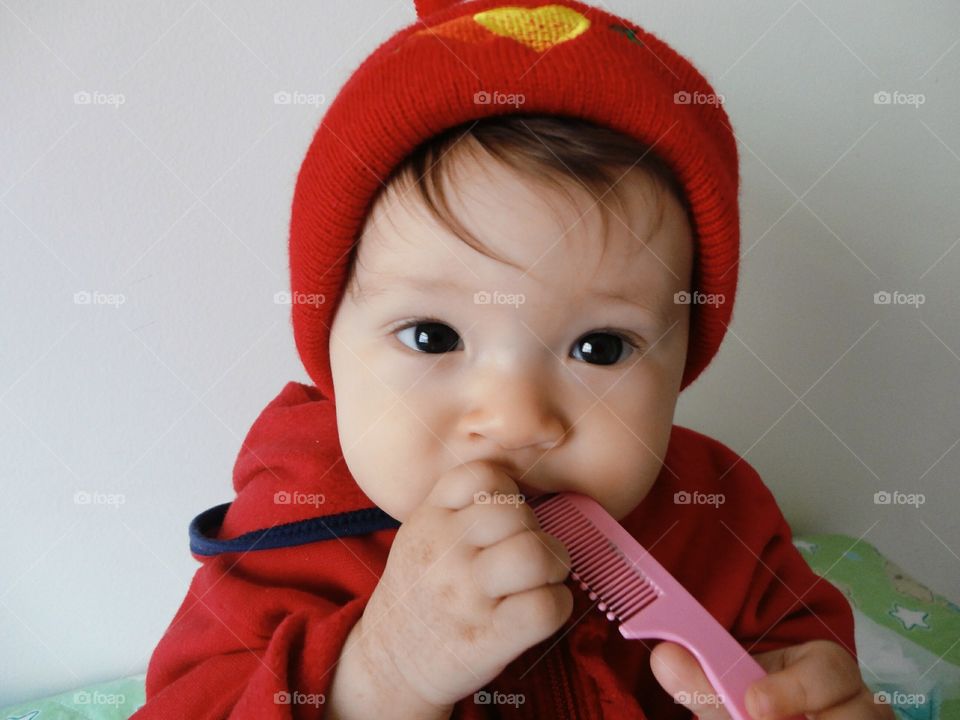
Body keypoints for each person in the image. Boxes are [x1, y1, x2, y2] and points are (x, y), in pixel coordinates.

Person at [132, 1, 890, 718]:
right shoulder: (288, 531)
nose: (517, 419)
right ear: (331, 345)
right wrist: (380, 675)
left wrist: (806, 696)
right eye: (433, 336)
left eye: (600, 347)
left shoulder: (716, 516)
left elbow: (806, 658)